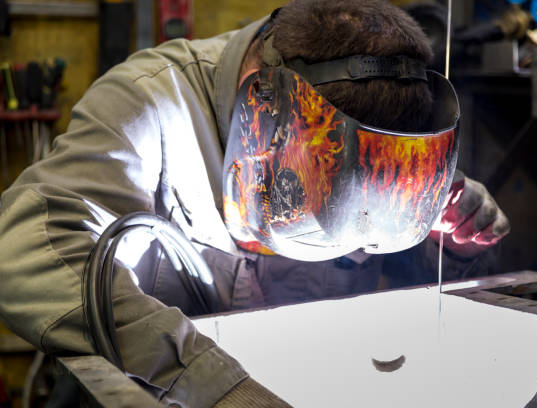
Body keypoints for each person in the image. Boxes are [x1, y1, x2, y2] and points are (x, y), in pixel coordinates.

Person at [0, 0, 509, 406]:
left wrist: (444, 241)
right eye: (316, 202)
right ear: (261, 114)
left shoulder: (372, 131)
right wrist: (212, 385)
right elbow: (20, 249)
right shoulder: (151, 103)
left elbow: (407, 286)